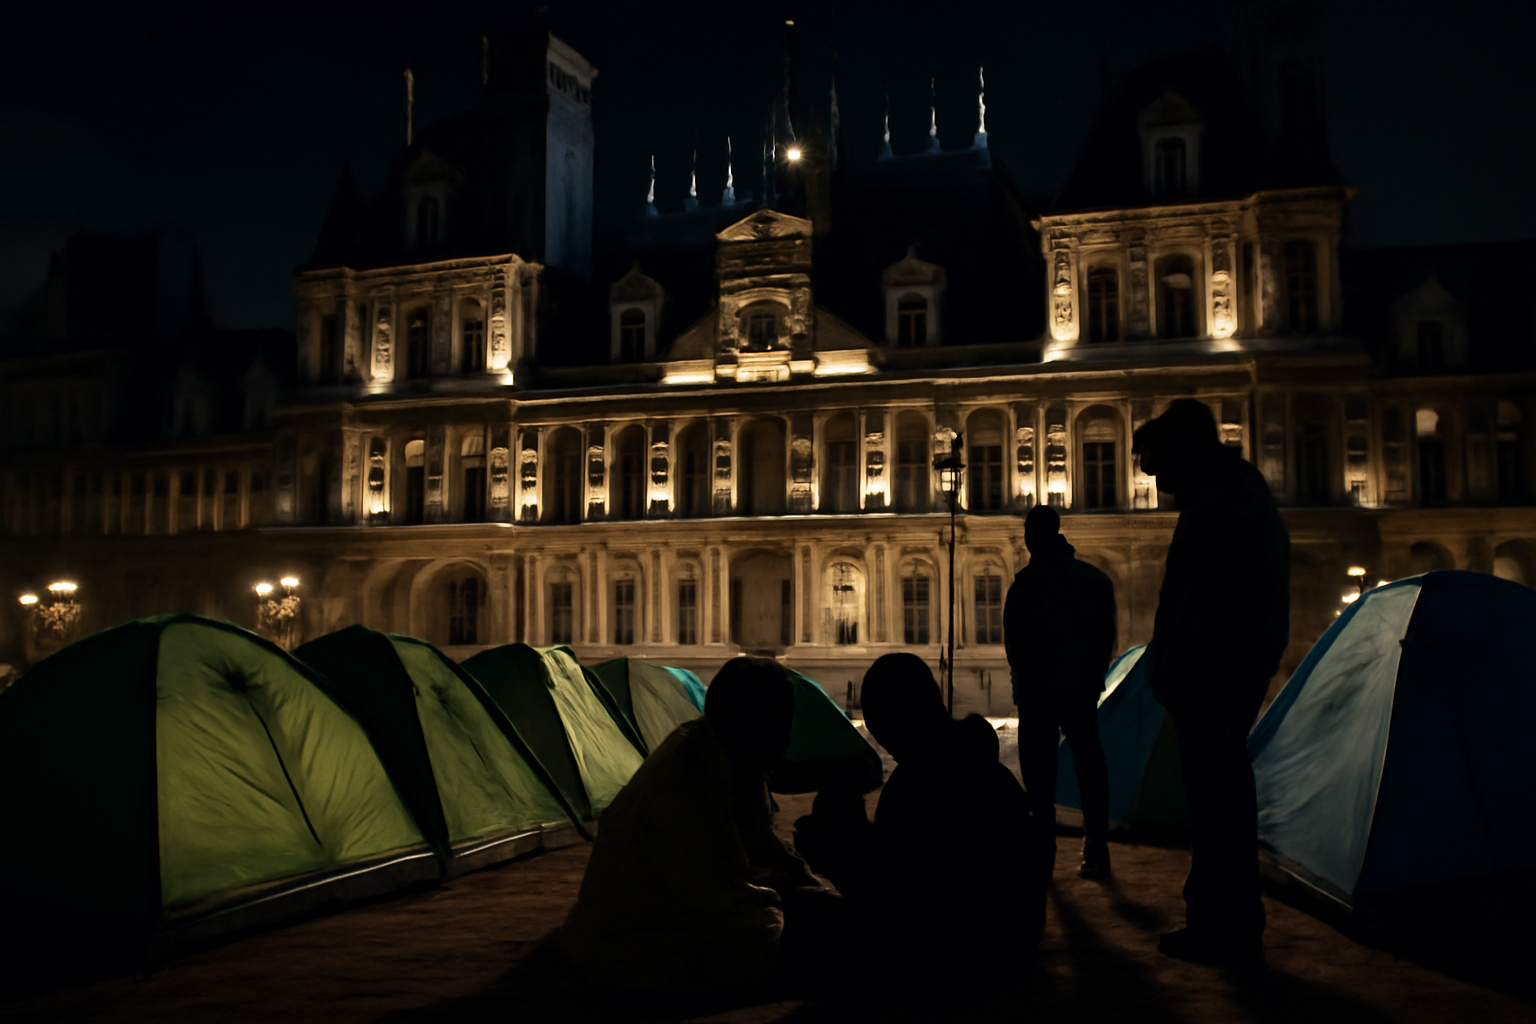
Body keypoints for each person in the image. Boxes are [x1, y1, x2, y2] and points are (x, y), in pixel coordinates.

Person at [552, 656, 829, 994]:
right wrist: (787, 887)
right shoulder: (689, 778)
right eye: (779, 725)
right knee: (772, 932)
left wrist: (805, 880)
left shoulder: (728, 754)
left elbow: (757, 842)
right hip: (633, 936)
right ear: (753, 724)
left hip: (652, 912)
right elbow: (714, 891)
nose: (786, 740)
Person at [1133, 399, 1290, 965]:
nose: (1157, 483)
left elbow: (1207, 603)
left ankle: (1223, 927)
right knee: (1220, 800)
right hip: (1224, 672)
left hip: (1213, 676)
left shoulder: (1219, 503)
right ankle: (1226, 922)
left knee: (1218, 804)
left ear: (1183, 451)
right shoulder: (1231, 488)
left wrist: (1179, 669)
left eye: (1158, 468)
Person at [793, 653, 1032, 970]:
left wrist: (836, 849)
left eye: (881, 726)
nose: (882, 741)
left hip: (955, 948)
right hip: (1011, 935)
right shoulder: (990, 772)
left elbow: (896, 899)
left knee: (804, 919)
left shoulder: (917, 784)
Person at [1005, 503, 1118, 914]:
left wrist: (1022, 689)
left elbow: (1015, 646)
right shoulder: (1094, 580)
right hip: (1077, 688)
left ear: (1033, 538)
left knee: (1039, 775)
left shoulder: (1025, 586)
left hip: (1038, 692)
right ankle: (1095, 846)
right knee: (1090, 763)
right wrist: (1091, 680)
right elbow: (1105, 637)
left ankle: (1045, 850)